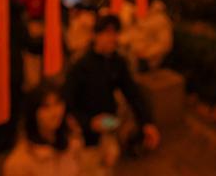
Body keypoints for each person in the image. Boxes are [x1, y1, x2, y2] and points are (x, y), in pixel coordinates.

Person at [63, 15, 160, 174]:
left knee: (108, 167)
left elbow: (133, 93)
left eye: (115, 33)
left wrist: (147, 122)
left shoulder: (117, 62)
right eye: (107, 33)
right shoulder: (79, 66)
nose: (113, 38)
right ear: (95, 35)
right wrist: (88, 123)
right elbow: (66, 103)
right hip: (84, 137)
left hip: (108, 128)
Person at [3, 80, 80, 176]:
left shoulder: (71, 146)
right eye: (46, 107)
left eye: (58, 103)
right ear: (33, 113)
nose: (55, 113)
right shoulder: (20, 161)